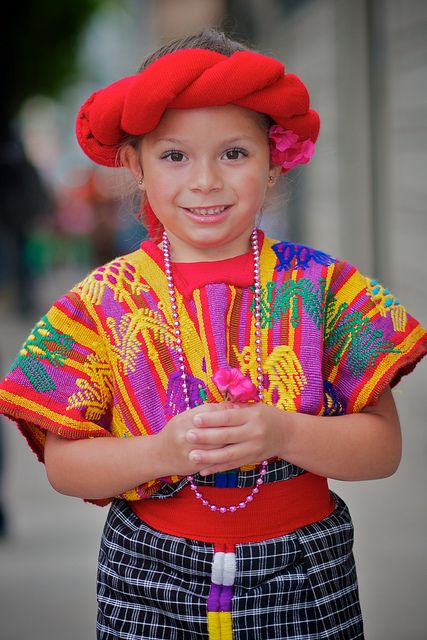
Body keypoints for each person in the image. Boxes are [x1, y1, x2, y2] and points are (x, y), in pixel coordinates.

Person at [0, 28, 426, 640]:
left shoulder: (322, 289)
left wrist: (282, 431)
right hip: (146, 578)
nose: (205, 181)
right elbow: (65, 467)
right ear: (135, 166)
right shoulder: (100, 305)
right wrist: (164, 453)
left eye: (233, 153)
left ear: (275, 158)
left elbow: (382, 450)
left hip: (305, 574)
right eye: (175, 156)